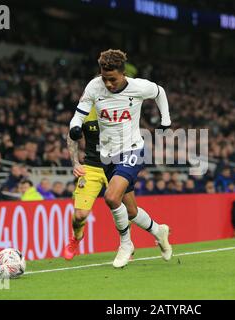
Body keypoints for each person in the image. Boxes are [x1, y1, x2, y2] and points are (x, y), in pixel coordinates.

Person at [67, 49, 172, 268]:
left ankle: (126, 245)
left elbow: (160, 92)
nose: (108, 84)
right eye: (104, 78)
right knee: (131, 211)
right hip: (107, 156)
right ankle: (158, 230)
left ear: (123, 74)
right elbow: (79, 113)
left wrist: (166, 121)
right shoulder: (94, 86)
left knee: (112, 197)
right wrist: (76, 127)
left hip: (132, 149)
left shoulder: (138, 87)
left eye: (112, 79)